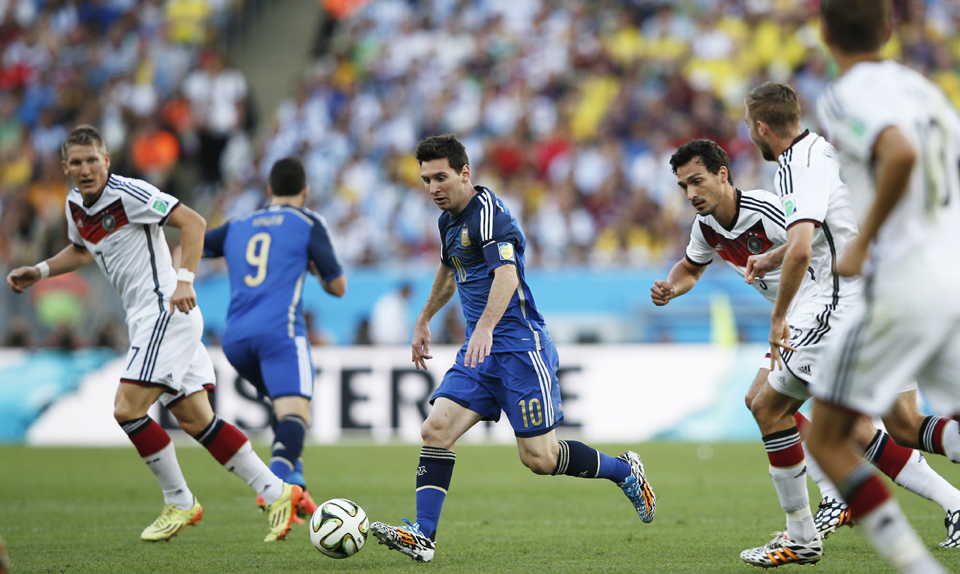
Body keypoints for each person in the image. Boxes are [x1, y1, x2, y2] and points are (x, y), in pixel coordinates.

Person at [653, 138, 960, 569]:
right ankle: (941, 503)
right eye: (684, 186)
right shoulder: (705, 228)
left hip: (825, 312)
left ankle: (821, 516)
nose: (690, 194)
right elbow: (689, 267)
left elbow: (812, 238)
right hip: (818, 318)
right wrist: (671, 286)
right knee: (894, 425)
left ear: (723, 175)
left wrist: (780, 286)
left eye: (697, 181)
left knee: (774, 406)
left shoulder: (767, 210)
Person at [6, 125, 301, 543]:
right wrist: (39, 270)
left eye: (94, 160)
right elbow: (81, 249)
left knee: (127, 409)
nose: (86, 168)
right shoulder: (75, 204)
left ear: (107, 160)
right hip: (149, 318)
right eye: (77, 162)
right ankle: (277, 492)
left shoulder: (131, 193)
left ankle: (180, 501)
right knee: (197, 420)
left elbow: (194, 223)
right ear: (66, 167)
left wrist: (185, 279)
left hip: (167, 311)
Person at [370, 134, 656, 563]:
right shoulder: (448, 220)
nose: (432, 188)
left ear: (465, 173)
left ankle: (624, 470)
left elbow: (505, 275)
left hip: (521, 350)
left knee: (539, 459)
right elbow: (450, 271)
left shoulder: (490, 215)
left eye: (441, 177)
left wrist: (485, 326)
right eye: (426, 179)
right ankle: (423, 535)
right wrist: (424, 317)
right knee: (435, 430)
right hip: (479, 352)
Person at [806, 1, 960, 572]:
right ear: (889, 29)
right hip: (952, 278)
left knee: (827, 436)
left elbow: (898, 151)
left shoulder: (846, 93)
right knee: (905, 425)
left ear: (824, 33)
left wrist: (865, 240)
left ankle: (917, 567)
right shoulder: (926, 91)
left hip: (906, 284)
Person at [202, 156, 346, 525]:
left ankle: (296, 486)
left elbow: (196, 243)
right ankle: (275, 488)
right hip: (279, 333)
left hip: (235, 339)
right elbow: (338, 287)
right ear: (305, 191)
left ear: (268, 190)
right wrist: (312, 266)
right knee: (297, 413)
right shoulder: (308, 222)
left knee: (283, 412)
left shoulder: (238, 224)